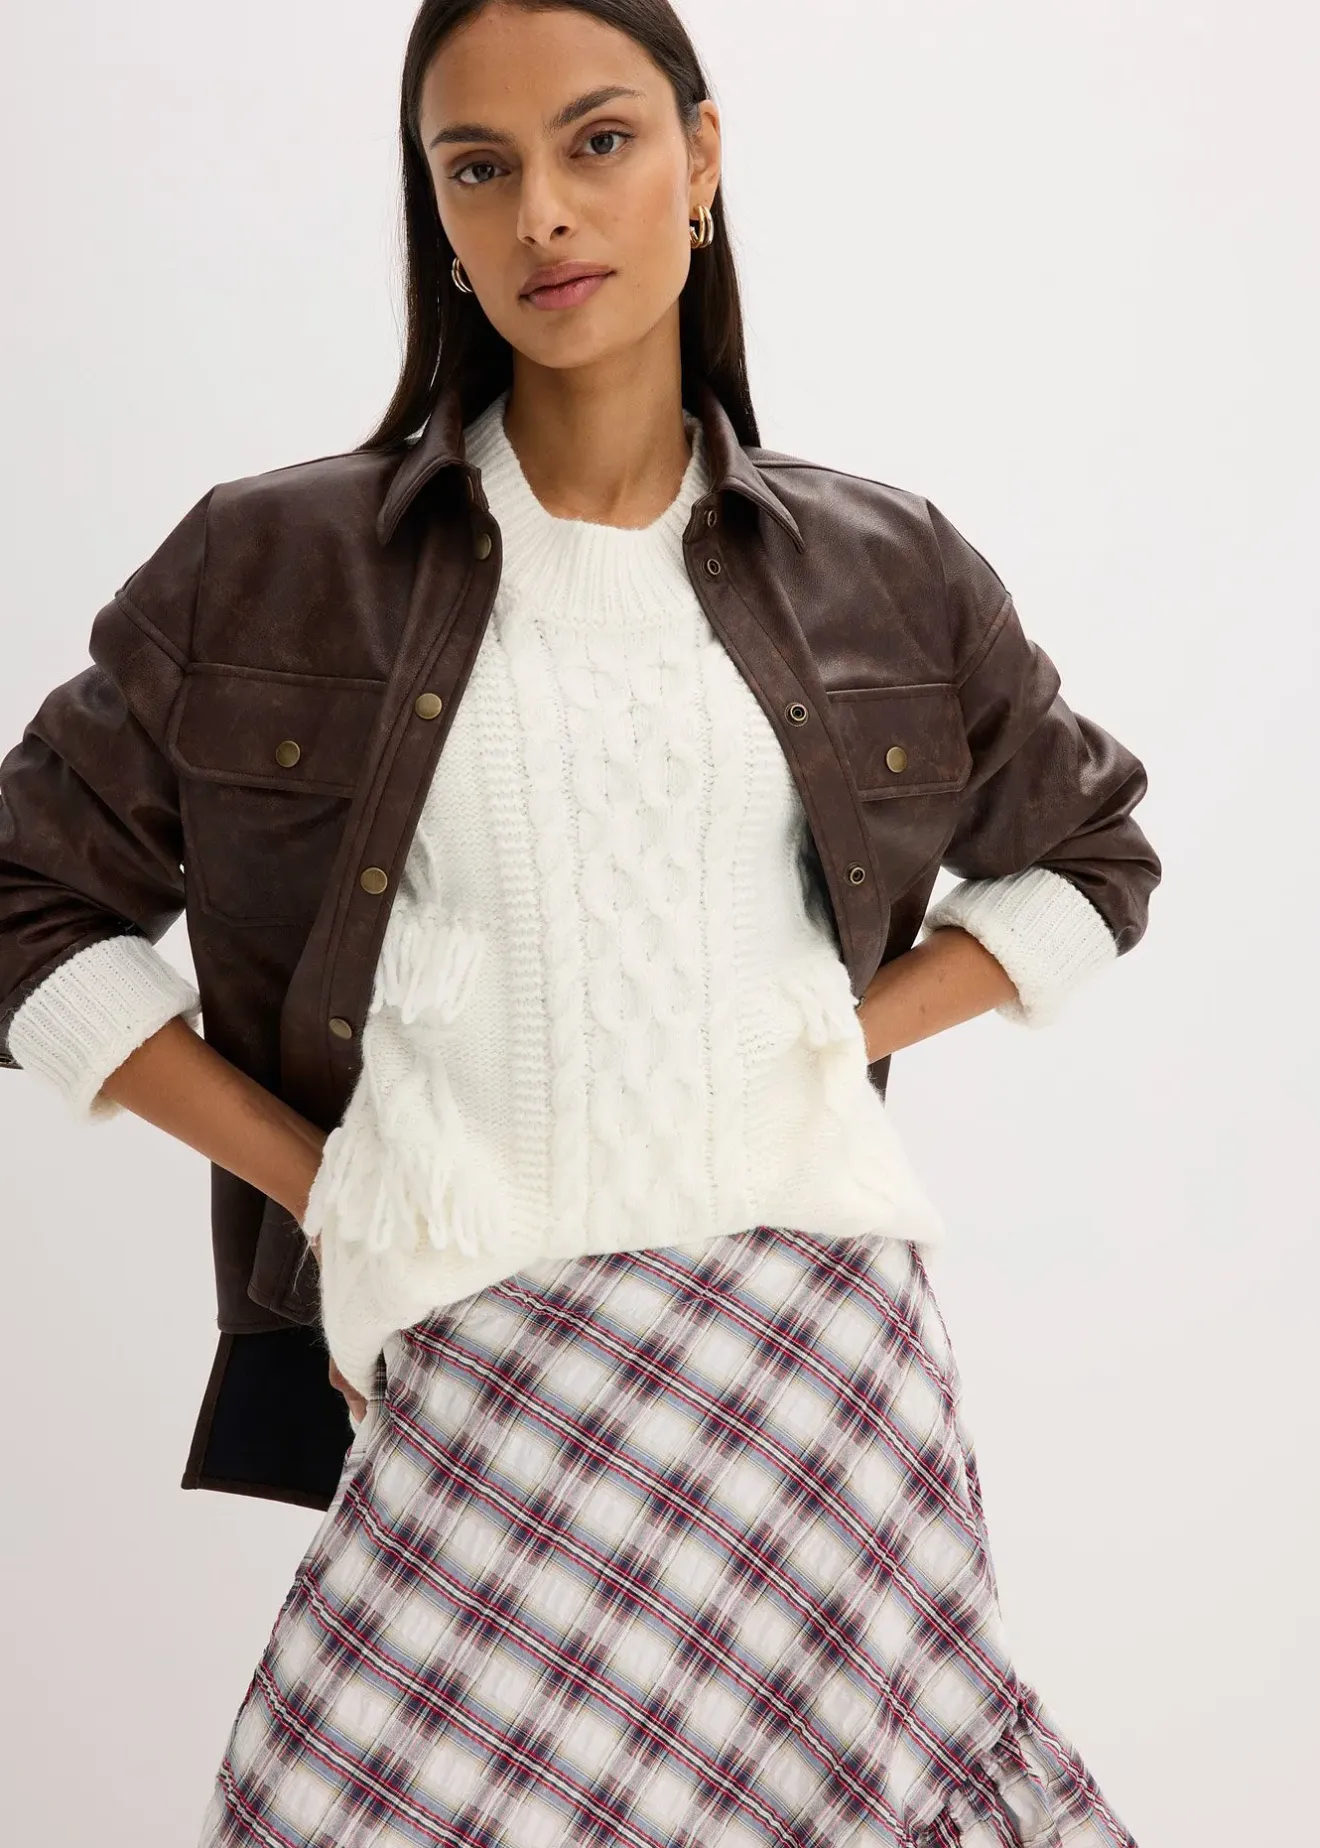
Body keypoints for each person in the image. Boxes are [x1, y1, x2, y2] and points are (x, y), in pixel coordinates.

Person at [0, 2, 1161, 1842]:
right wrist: (323, 1178)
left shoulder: (889, 569)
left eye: (598, 141)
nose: (541, 209)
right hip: (473, 1352)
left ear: (703, 159)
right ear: (439, 215)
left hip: (810, 1373)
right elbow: (25, 901)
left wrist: (822, 1038)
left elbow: (1092, 862)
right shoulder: (275, 561)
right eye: (479, 168)